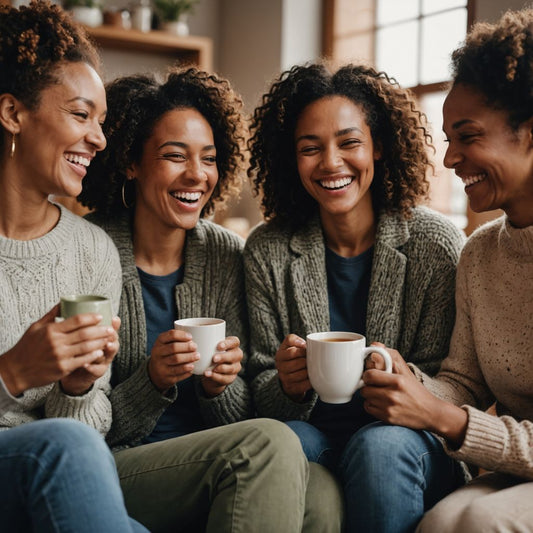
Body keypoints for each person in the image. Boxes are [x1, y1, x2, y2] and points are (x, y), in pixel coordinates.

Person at [78, 67, 326, 533]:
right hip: (114, 466)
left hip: (212, 459)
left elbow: (242, 414)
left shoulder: (225, 252)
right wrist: (151, 381)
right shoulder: (88, 247)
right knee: (270, 444)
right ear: (131, 161)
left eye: (209, 158)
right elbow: (77, 422)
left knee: (325, 498)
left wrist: (219, 386)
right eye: (175, 156)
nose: (197, 175)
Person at [244, 62, 466, 531]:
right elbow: (260, 389)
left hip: (408, 442)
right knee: (279, 439)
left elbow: (457, 381)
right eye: (310, 148)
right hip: (316, 434)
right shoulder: (268, 250)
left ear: (379, 146)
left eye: (349, 143)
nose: (330, 162)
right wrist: (285, 384)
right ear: (292, 158)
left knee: (378, 447)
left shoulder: (434, 245)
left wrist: (410, 380)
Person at [358, 8, 533, 533]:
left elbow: (457, 414)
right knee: (440, 522)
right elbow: (466, 382)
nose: (451, 158)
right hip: (516, 468)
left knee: (480, 521)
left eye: (468, 135)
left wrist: (447, 420)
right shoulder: (481, 253)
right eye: (447, 139)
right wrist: (405, 377)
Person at [0, 2, 145, 531]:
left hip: (55, 474)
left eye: (101, 122)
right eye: (81, 115)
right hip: (40, 462)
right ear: (13, 113)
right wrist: (11, 372)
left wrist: (80, 386)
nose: (99, 139)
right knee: (62, 447)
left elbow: (87, 430)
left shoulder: (92, 251)